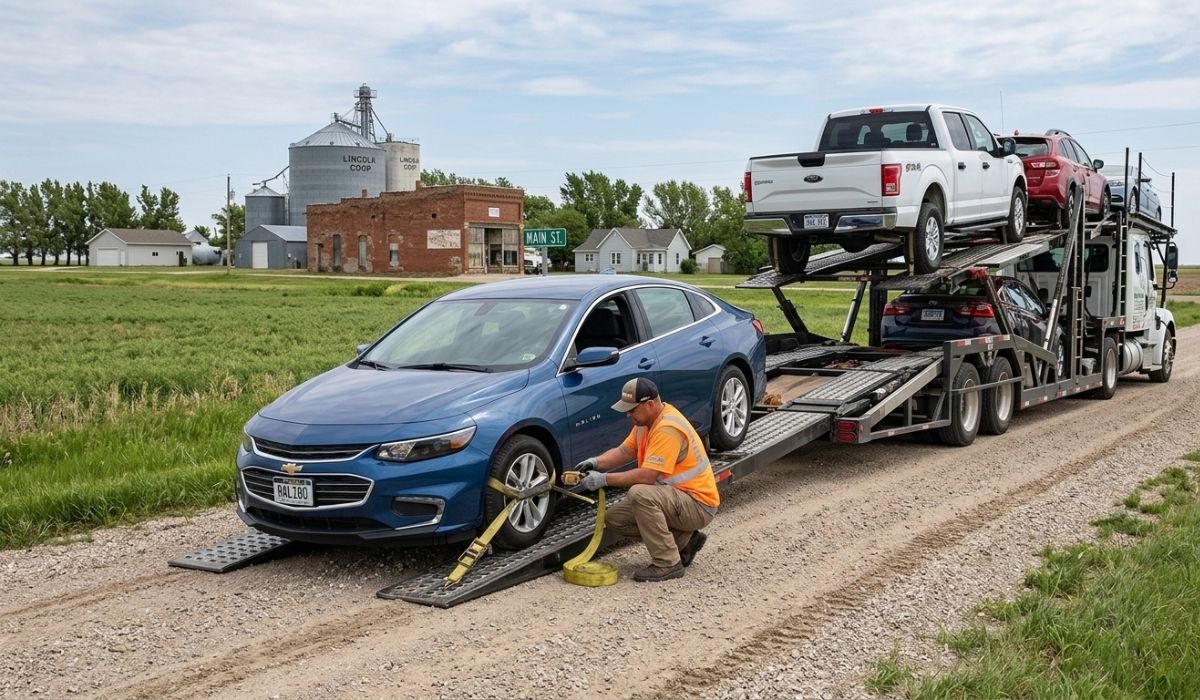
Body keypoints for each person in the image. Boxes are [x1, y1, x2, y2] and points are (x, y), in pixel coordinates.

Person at [574, 377, 719, 582]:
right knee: (616, 518)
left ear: (650, 404)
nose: (628, 415)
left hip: (697, 504)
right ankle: (685, 541)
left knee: (639, 493)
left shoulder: (667, 428)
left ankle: (667, 563)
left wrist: (604, 479)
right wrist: (595, 463)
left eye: (632, 409)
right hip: (676, 498)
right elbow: (625, 451)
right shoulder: (645, 423)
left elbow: (647, 476)